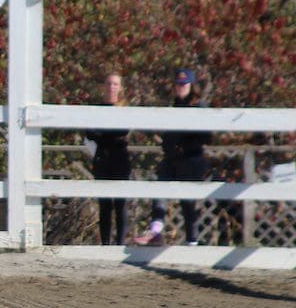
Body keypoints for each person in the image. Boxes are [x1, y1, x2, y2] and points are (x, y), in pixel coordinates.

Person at [133, 67, 211, 246]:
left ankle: (192, 241)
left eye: (184, 84)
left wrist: (184, 143)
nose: (181, 87)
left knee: (188, 201)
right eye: (178, 84)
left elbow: (206, 136)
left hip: (191, 159)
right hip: (172, 157)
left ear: (191, 85)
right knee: (161, 188)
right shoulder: (175, 105)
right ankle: (155, 231)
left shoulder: (199, 106)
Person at [85, 72, 131, 245]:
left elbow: (122, 132)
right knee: (104, 205)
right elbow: (89, 132)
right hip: (102, 159)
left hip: (120, 160)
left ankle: (119, 243)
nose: (111, 87)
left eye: (115, 84)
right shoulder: (96, 108)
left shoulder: (124, 110)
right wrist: (106, 135)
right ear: (103, 87)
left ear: (120, 88)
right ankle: (105, 244)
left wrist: (102, 134)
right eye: (109, 83)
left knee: (120, 204)